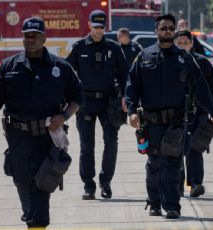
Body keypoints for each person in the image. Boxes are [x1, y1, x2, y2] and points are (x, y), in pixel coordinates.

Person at [0, 17, 82, 228]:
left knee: (41, 183)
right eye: (27, 35)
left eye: (36, 36)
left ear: (44, 38)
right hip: (18, 136)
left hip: (47, 136)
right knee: (21, 180)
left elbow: (77, 97)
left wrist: (63, 116)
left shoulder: (60, 67)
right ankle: (32, 217)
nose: (31, 39)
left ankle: (37, 223)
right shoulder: (9, 66)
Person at [125, 14, 213, 219]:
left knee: (171, 164)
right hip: (150, 122)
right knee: (154, 164)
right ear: (156, 31)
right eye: (163, 28)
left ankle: (172, 206)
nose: (167, 31)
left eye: (170, 28)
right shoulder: (144, 57)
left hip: (175, 123)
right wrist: (132, 111)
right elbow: (132, 86)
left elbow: (201, 88)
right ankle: (154, 201)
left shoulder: (185, 58)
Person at [66, 10, 129, 200]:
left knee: (111, 143)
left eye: (102, 27)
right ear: (89, 25)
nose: (98, 30)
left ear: (105, 27)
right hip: (85, 102)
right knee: (87, 146)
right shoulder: (78, 47)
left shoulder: (114, 48)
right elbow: (67, 74)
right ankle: (88, 185)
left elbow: (125, 75)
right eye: (95, 27)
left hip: (109, 103)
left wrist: (126, 96)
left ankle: (105, 182)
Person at [175, 30, 213, 197]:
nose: (183, 46)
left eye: (186, 43)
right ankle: (177, 185)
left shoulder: (202, 63)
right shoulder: (169, 62)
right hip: (176, 113)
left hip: (198, 113)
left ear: (192, 44)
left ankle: (195, 184)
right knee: (176, 149)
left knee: (195, 148)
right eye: (179, 43)